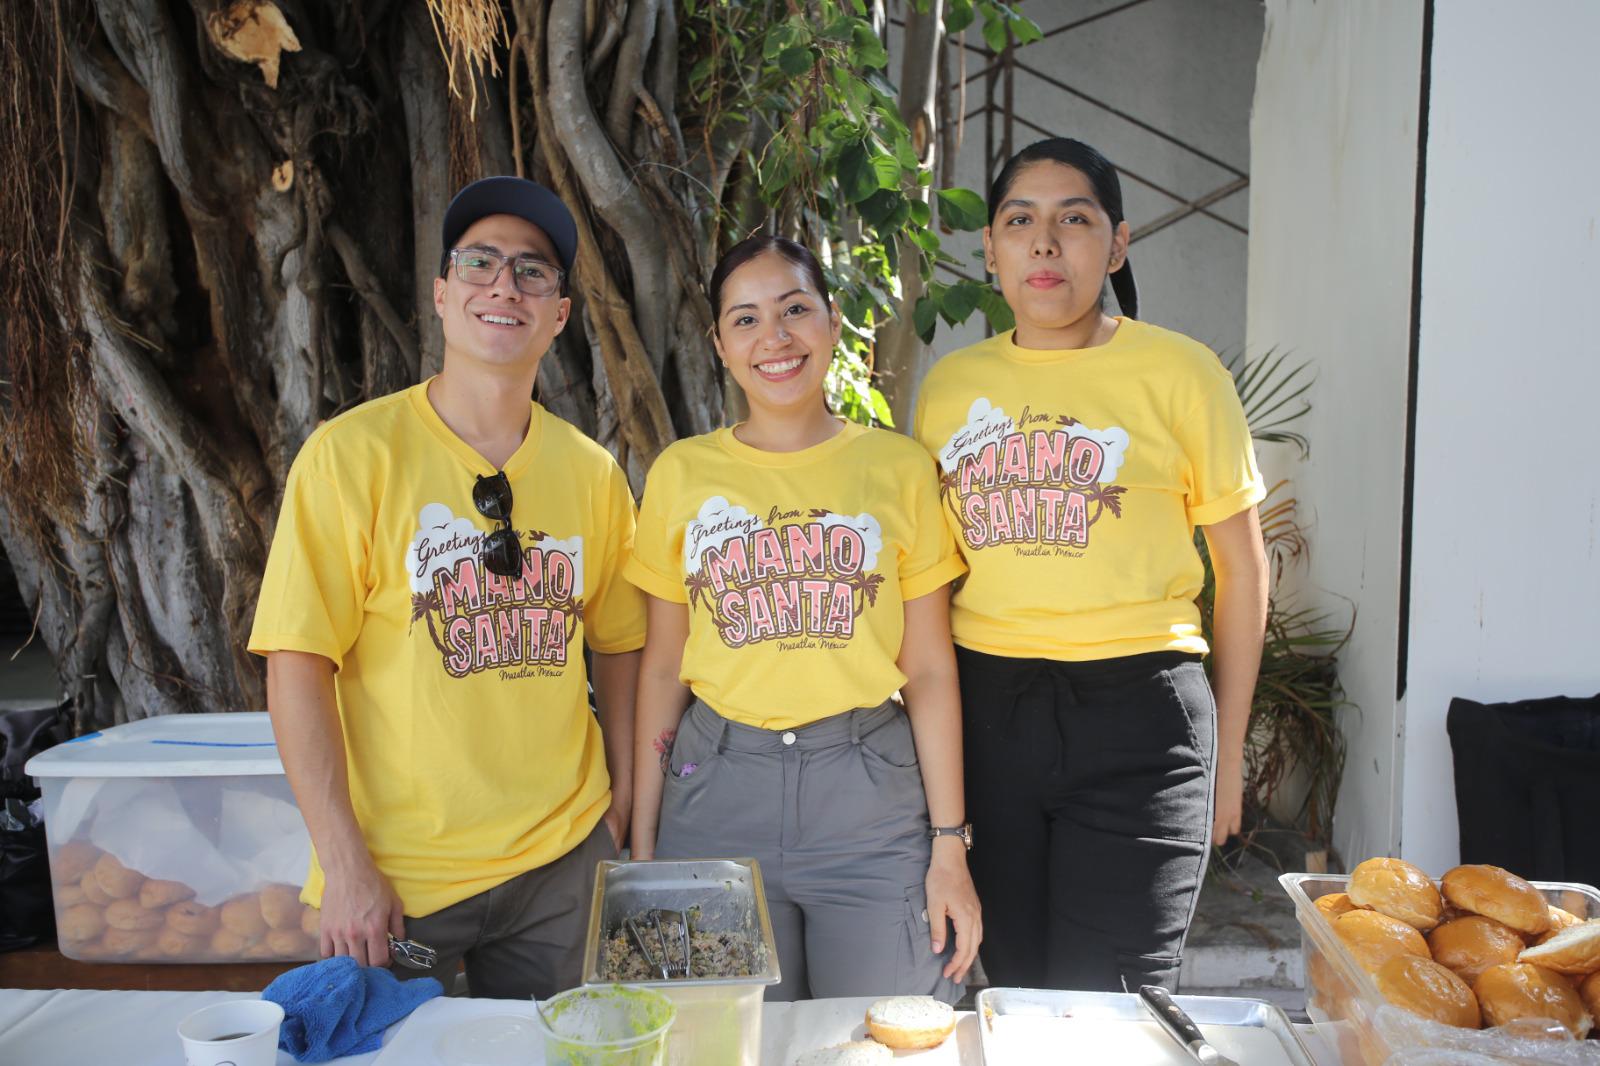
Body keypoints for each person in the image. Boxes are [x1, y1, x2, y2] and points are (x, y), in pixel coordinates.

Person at [249, 176, 645, 998]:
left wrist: (624, 791)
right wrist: (343, 862)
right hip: (399, 879)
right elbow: (296, 664)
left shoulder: (593, 475)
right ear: (441, 292)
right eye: (480, 263)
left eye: (534, 271)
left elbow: (620, 646)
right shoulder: (352, 455)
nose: (506, 285)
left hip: (561, 863)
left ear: (561, 314)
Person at [912, 137, 1269, 993]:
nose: (1045, 242)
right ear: (991, 248)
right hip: (989, 715)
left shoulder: (1181, 373)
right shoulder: (949, 387)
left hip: (1140, 723)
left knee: (1117, 1007)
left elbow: (1244, 573)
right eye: (1019, 221)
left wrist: (1228, 756)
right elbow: (932, 581)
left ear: (1115, 245)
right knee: (1010, 991)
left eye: (1074, 220)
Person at [626, 236, 981, 1002]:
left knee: (884, 1035)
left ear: (832, 320)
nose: (775, 338)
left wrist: (949, 846)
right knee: (722, 1042)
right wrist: (645, 835)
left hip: (869, 802)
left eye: (794, 310)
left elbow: (926, 669)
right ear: (720, 344)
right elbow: (662, 664)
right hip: (715, 791)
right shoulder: (681, 474)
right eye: (746, 320)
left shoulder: (897, 468)